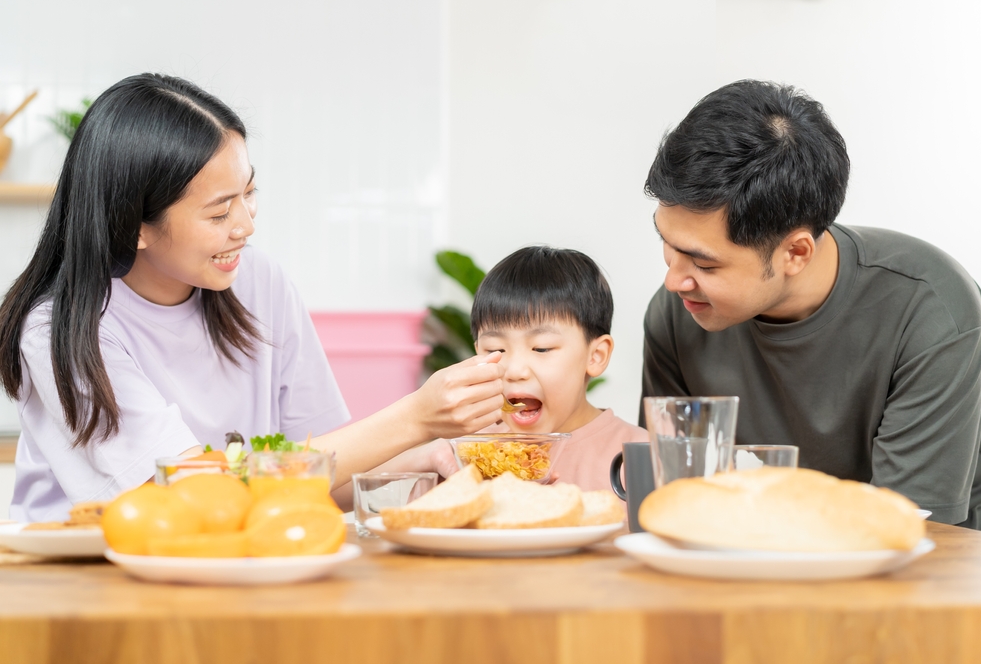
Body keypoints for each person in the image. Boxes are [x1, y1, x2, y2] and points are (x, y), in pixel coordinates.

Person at [0, 73, 506, 523]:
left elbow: (318, 475)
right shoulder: (60, 330)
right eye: (220, 212)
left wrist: (429, 451)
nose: (245, 225)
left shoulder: (257, 282)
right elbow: (190, 497)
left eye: (249, 192)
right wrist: (414, 416)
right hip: (89, 584)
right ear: (133, 225)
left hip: (232, 566)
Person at [640, 79, 981, 532]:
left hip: (941, 566)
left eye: (705, 265)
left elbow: (906, 530)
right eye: (668, 244)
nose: (674, 279)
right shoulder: (678, 312)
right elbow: (675, 499)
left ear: (796, 253)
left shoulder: (929, 307)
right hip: (754, 557)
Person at [469, 245, 647, 494]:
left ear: (595, 356)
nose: (514, 371)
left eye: (541, 349)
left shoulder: (641, 454)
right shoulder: (468, 451)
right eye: (494, 350)